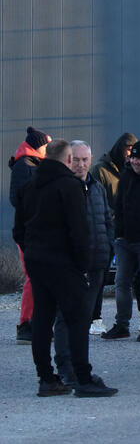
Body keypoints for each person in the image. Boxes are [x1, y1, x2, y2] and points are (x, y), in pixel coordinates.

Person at [12, 139, 117, 397]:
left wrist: (34, 251)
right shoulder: (70, 187)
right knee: (78, 319)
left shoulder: (29, 186)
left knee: (43, 321)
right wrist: (82, 264)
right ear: (68, 159)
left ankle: (47, 379)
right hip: (65, 264)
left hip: (37, 263)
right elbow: (78, 231)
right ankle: (83, 378)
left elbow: (18, 231)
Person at [51, 141, 115, 386]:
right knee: (66, 318)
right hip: (71, 266)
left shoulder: (96, 187)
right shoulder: (63, 188)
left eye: (84, 159)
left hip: (96, 263)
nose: (80, 164)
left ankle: (80, 367)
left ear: (91, 160)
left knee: (84, 319)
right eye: (75, 159)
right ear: (67, 160)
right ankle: (66, 368)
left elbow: (106, 219)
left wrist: (108, 247)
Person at [104, 140, 140, 341]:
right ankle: (122, 325)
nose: (135, 162)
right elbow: (118, 206)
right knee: (121, 283)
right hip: (125, 240)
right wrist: (118, 234)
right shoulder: (126, 175)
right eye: (133, 157)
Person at [89, 132, 137, 335]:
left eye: (132, 151)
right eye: (127, 150)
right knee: (99, 278)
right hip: (107, 230)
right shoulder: (100, 170)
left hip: (128, 232)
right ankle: (95, 318)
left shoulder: (133, 170)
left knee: (135, 279)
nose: (129, 155)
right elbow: (96, 200)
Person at [8, 126, 51, 345]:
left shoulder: (34, 165)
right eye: (46, 145)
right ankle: (26, 325)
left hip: (35, 230)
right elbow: (17, 198)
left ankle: (36, 323)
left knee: (38, 278)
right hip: (28, 231)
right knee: (33, 278)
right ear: (37, 146)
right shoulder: (24, 165)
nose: (48, 148)